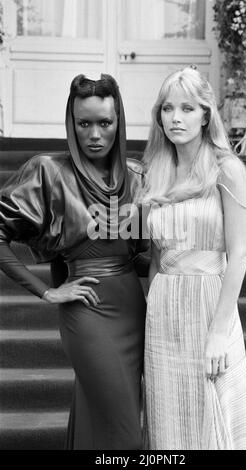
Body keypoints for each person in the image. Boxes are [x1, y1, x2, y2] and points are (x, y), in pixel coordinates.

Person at [0, 74, 149, 450]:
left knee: (105, 418)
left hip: (135, 310)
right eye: (84, 123)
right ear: (71, 123)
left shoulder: (137, 175)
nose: (95, 134)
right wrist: (47, 292)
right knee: (126, 432)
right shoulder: (48, 172)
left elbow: (142, 254)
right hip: (88, 312)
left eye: (105, 123)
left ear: (119, 123)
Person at [138, 66, 246, 450]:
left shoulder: (228, 169)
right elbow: (158, 253)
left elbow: (238, 255)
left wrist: (219, 332)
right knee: (169, 417)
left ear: (206, 114)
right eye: (168, 108)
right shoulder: (155, 171)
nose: (176, 117)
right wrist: (150, 304)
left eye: (188, 108)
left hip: (210, 304)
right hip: (163, 310)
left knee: (215, 414)